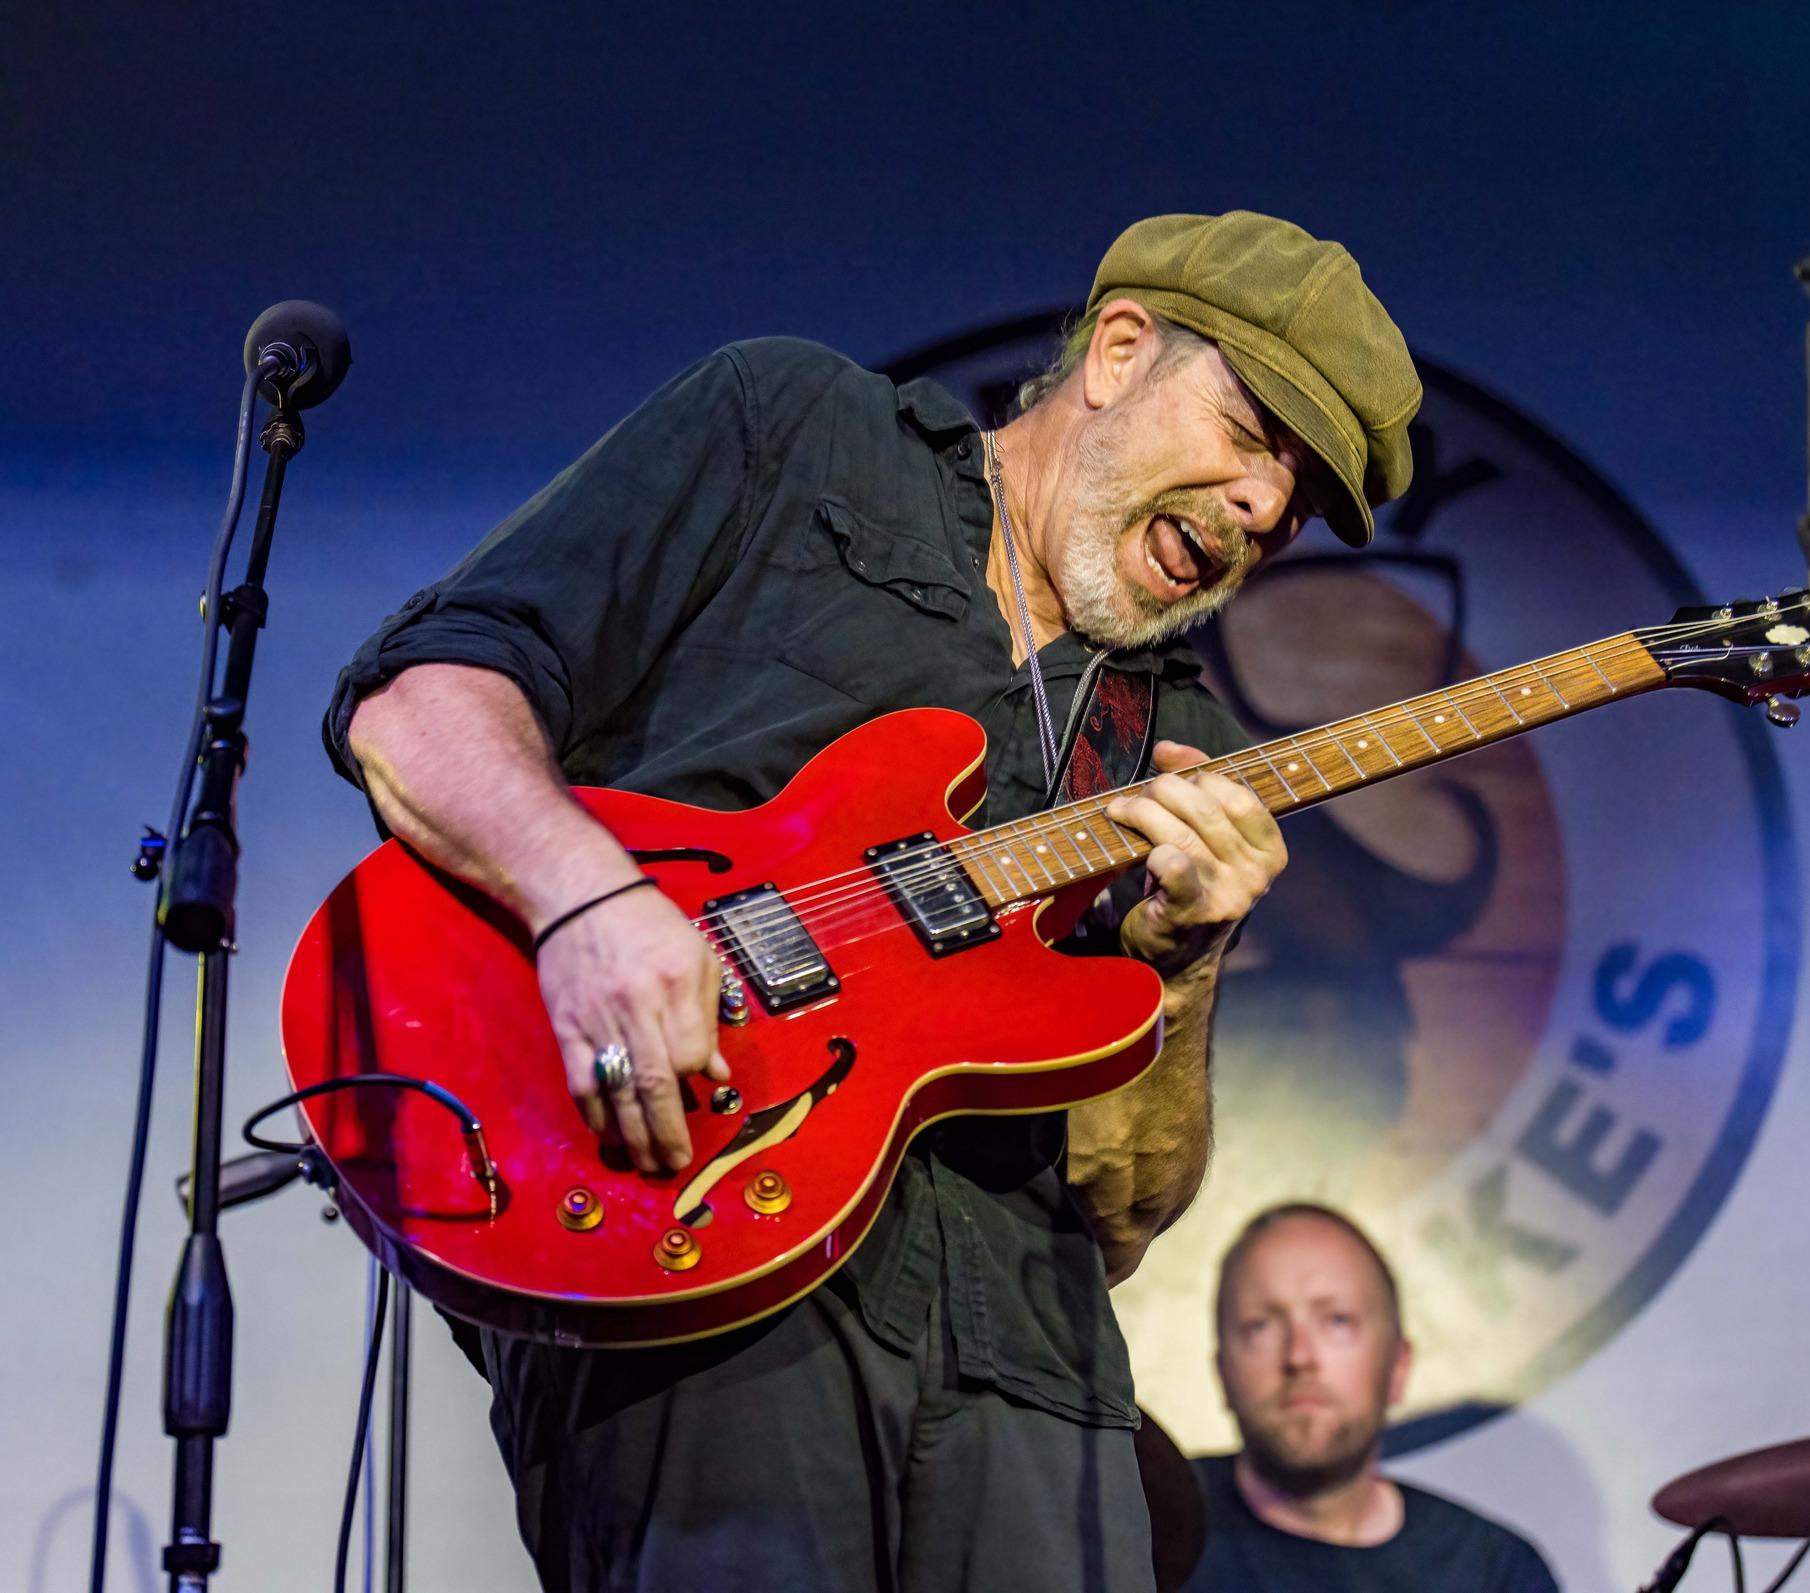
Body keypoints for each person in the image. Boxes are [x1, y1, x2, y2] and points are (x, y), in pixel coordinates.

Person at [324, 211, 1421, 1593]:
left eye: (1299, 501)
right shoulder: (795, 431)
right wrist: (585, 900)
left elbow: (1123, 1212)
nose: (1263, 508)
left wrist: (1183, 959)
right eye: (1253, 434)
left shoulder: (1176, 746)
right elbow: (422, 706)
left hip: (1030, 1364)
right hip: (707, 1267)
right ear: (1118, 352)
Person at [1188, 1204, 1559, 1591]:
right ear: (1222, 1372)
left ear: (1397, 1367)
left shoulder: (1494, 1573)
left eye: (1337, 1320)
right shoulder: (1153, 1524)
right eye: (1259, 1327)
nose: (1299, 1356)